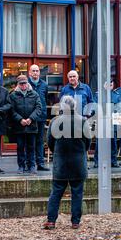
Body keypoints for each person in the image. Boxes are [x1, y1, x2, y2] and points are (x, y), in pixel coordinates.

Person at [44, 96, 91, 230]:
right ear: (75, 106)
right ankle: (75, 221)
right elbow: (87, 142)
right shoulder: (82, 121)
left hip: (61, 163)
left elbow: (50, 142)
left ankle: (51, 220)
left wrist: (57, 152)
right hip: (78, 163)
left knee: (56, 193)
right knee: (77, 194)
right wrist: (81, 152)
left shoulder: (55, 121)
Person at [9, 75, 42, 174]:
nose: (23, 85)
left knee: (31, 147)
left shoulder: (34, 94)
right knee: (20, 147)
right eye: (21, 83)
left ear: (27, 83)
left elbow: (39, 108)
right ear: (18, 84)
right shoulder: (13, 95)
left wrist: (31, 118)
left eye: (25, 83)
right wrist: (20, 120)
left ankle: (32, 166)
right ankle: (21, 166)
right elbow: (11, 110)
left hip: (31, 126)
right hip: (19, 126)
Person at [28, 64, 50, 171]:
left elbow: (45, 99)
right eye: (33, 71)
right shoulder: (26, 84)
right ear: (29, 72)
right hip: (29, 117)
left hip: (41, 117)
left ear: (39, 73)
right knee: (30, 141)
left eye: (37, 71)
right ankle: (30, 164)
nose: (35, 73)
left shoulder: (44, 85)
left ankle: (40, 163)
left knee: (40, 141)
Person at [93, 80, 119, 168]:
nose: (109, 86)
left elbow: (118, 109)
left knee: (113, 143)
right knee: (99, 143)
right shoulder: (98, 95)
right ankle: (97, 161)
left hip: (112, 122)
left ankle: (113, 161)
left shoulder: (116, 95)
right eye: (107, 84)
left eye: (111, 84)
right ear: (104, 85)